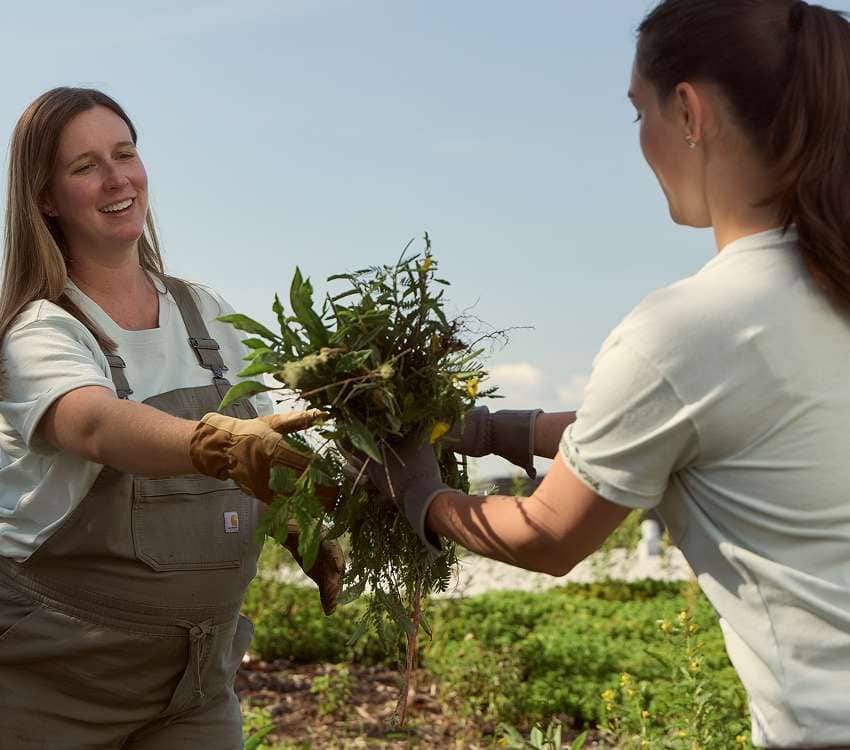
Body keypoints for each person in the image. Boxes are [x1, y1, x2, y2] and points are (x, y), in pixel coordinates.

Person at [357, 2, 850, 748]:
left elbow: (546, 534)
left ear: (687, 111)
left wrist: (420, 493)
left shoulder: (691, 328)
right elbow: (712, 431)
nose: (640, 140)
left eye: (636, 113)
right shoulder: (818, 285)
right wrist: (496, 430)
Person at [0, 87, 342, 748]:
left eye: (124, 153)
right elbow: (93, 425)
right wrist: (216, 444)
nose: (116, 177)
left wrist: (299, 520)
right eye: (84, 166)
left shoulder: (205, 314)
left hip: (195, 688)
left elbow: (268, 434)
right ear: (46, 197)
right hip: (50, 689)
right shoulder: (38, 328)